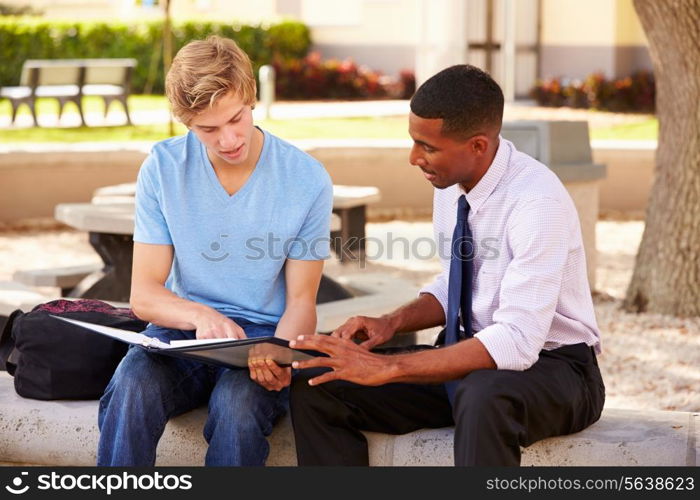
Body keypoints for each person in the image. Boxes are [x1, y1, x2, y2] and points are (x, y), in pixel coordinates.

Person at [289, 64, 605, 466]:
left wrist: (390, 366)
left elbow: (518, 342)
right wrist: (391, 324)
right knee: (320, 383)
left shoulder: (537, 204)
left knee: (483, 396)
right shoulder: (451, 182)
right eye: (414, 141)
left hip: (556, 369)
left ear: (477, 145)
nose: (413, 157)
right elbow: (457, 285)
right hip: (467, 355)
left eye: (428, 147)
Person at [97, 36, 333, 466]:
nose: (228, 140)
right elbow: (145, 295)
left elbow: (302, 301)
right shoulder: (163, 168)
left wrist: (280, 352)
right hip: (179, 335)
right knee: (133, 382)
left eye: (236, 119)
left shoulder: (306, 179)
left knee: (239, 407)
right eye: (208, 129)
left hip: (262, 340)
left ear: (252, 97)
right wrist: (203, 316)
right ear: (185, 122)